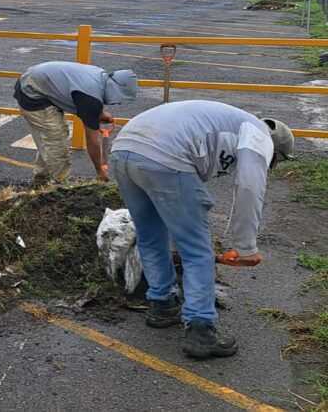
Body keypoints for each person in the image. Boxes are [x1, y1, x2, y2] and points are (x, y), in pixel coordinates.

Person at [110, 101, 294, 359]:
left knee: (151, 237)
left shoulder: (227, 125)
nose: (271, 167)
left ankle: (162, 305)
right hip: (165, 155)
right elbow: (250, 188)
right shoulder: (259, 134)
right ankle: (200, 330)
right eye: (276, 162)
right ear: (276, 151)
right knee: (197, 251)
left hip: (123, 150)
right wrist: (246, 247)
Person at [14, 61, 138, 184]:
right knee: (55, 137)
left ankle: (40, 181)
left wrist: (97, 115)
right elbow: (92, 141)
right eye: (120, 99)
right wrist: (99, 169)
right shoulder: (91, 100)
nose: (118, 103)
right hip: (31, 92)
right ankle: (60, 186)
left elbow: (82, 98)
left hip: (38, 81)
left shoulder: (101, 78)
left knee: (52, 137)